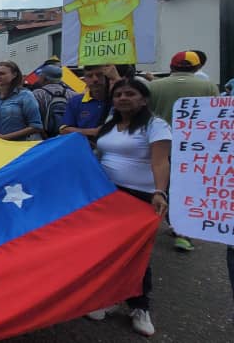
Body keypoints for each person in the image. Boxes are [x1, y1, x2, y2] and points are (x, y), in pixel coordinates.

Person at [86, 78, 169, 337]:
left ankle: (140, 306)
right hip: (108, 194)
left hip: (140, 197)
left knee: (136, 253)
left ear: (143, 99)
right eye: (118, 94)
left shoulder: (156, 125)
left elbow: (161, 162)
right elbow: (100, 153)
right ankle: (110, 298)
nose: (123, 98)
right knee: (108, 250)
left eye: (130, 94)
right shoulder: (111, 126)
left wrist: (159, 191)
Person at [147, 51, 219, 252]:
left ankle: (161, 224)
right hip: (194, 147)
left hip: (159, 145)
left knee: (162, 186)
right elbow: (215, 118)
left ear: (171, 66)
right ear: (196, 68)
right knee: (187, 189)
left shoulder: (153, 86)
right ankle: (183, 232)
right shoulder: (208, 86)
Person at [0, 61, 42, 141]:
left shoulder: (25, 95)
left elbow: (36, 126)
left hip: (19, 147)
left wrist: (6, 138)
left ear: (14, 75)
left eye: (2, 74)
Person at [60, 66, 113, 139]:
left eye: (99, 75)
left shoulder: (116, 100)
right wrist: (93, 132)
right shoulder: (75, 101)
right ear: (84, 80)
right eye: (90, 76)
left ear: (106, 77)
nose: (95, 79)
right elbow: (64, 130)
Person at [30, 65, 78, 139]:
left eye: (40, 76)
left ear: (44, 78)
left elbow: (33, 120)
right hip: (67, 137)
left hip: (43, 138)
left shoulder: (36, 94)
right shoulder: (73, 94)